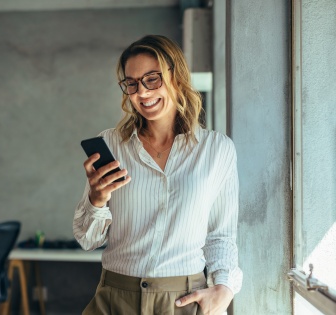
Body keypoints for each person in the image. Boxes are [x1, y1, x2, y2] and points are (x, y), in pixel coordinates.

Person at [73, 34, 242, 315]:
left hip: (183, 300)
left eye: (153, 79)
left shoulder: (217, 149)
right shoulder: (112, 145)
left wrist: (224, 289)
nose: (141, 92)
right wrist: (96, 199)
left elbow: (221, 235)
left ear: (177, 77)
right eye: (132, 83)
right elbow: (87, 240)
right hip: (115, 298)